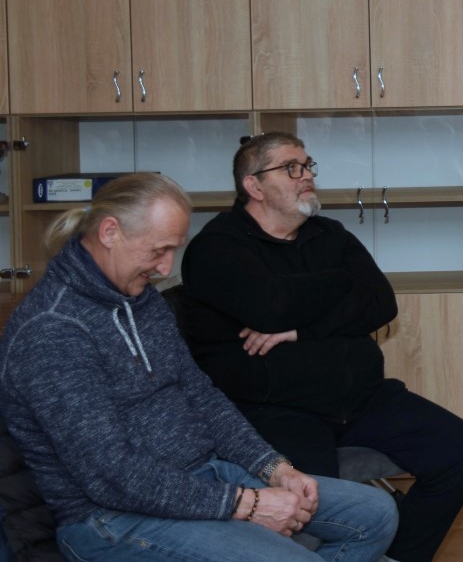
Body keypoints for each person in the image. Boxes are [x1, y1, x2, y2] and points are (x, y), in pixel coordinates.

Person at [0, 173, 397, 562]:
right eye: (158, 250)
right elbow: (113, 476)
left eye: (173, 250)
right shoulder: (52, 331)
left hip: (201, 476)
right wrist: (246, 504)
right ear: (109, 233)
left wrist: (273, 468)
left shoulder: (141, 300)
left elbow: (201, 396)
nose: (165, 268)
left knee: (375, 515)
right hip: (111, 517)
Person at [177, 132, 463, 562]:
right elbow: (271, 307)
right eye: (290, 168)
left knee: (459, 448)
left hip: (360, 398)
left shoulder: (329, 234)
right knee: (316, 499)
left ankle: (396, 556)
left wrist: (300, 331)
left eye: (307, 166)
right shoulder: (217, 246)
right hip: (275, 410)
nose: (306, 176)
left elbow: (381, 302)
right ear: (253, 185)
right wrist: (339, 281)